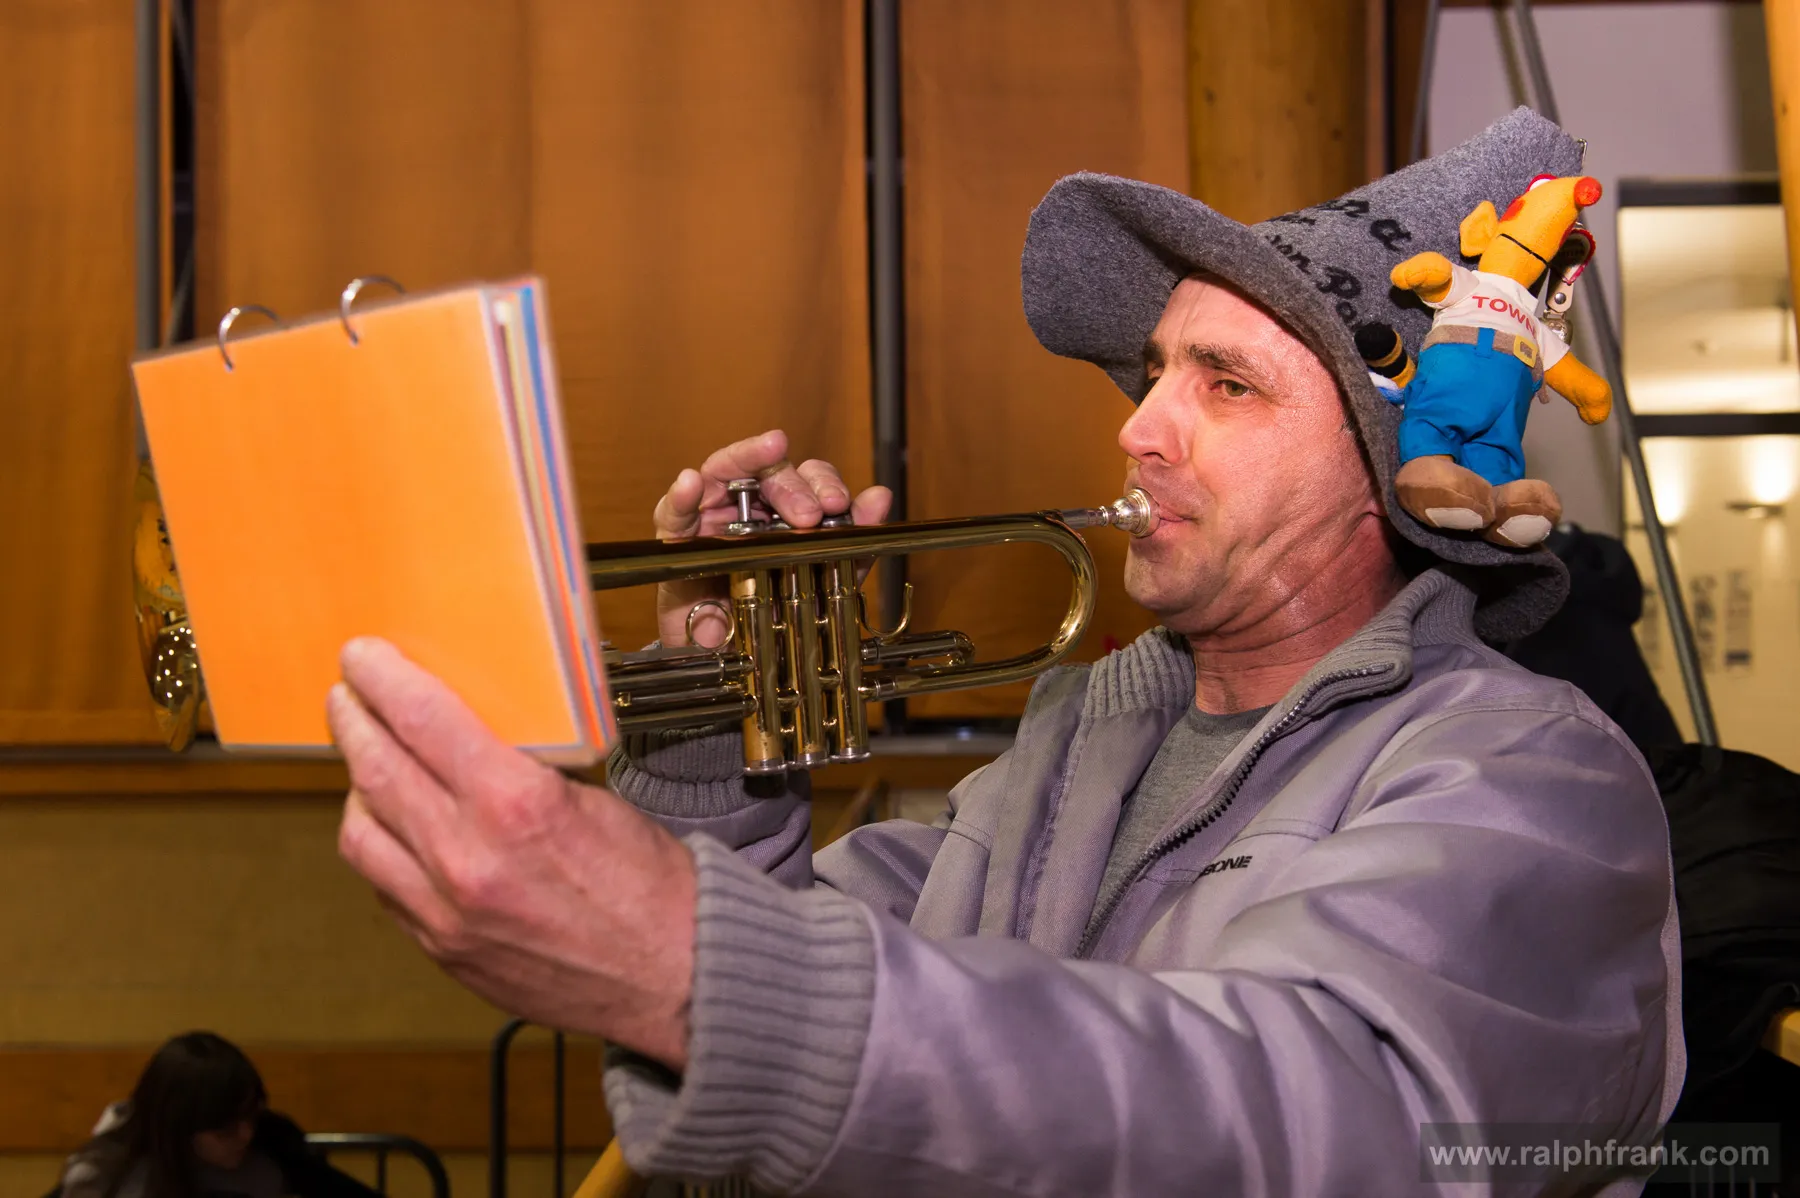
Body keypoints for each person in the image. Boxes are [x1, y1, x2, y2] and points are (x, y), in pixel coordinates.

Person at [327, 107, 1682, 1194]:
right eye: (1157, 370)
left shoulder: (1534, 782)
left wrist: (697, 968)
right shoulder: (1073, 742)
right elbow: (784, 1083)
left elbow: (1310, 1125)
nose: (1137, 428)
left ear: (1387, 469)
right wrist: (704, 716)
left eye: (1224, 383)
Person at [56, 1032, 379, 1198]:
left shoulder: (272, 1152)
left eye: (251, 1117)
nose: (246, 1135)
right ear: (179, 1130)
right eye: (224, 1131)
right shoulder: (105, 1176)